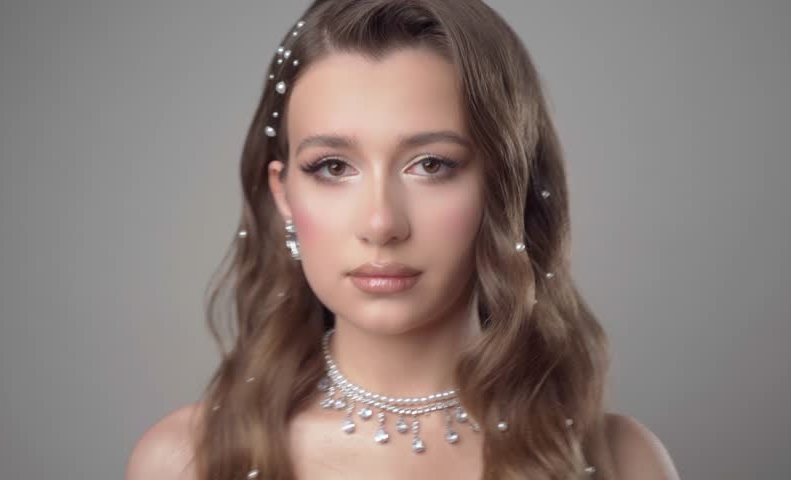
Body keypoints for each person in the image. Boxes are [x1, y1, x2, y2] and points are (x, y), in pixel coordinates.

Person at [126, 1, 680, 479]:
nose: (381, 222)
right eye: (333, 166)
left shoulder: (621, 462)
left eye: (431, 164)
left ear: (504, 185)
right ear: (284, 194)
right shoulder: (185, 462)